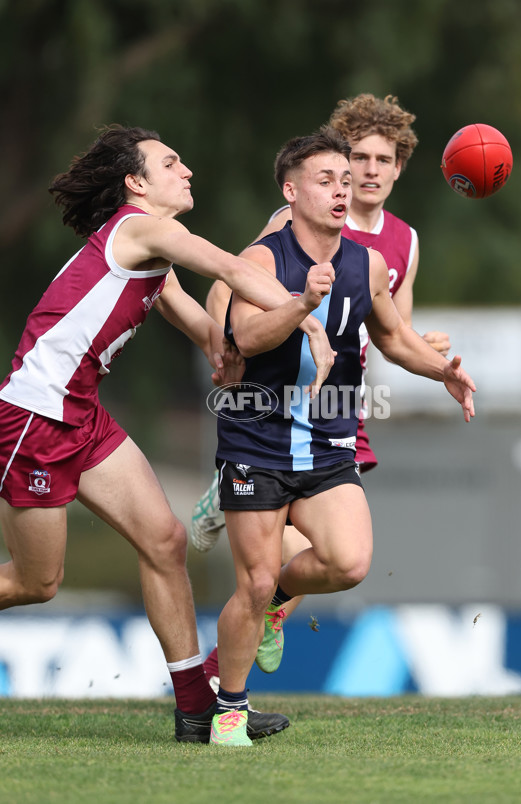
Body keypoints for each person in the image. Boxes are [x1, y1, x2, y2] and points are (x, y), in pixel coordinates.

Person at [0, 125, 335, 744]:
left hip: (80, 413)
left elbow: (192, 317)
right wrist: (304, 317)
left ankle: (195, 711)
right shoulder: (143, 227)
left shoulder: (151, 252)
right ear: (136, 183)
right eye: (170, 163)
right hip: (36, 417)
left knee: (164, 539)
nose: (186, 171)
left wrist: (225, 350)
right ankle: (197, 706)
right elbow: (231, 268)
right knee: (35, 582)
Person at [208, 126, 475, 746]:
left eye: (346, 181)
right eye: (327, 179)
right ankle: (228, 710)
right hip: (256, 438)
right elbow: (244, 338)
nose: (341, 190)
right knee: (249, 582)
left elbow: (393, 337)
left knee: (349, 562)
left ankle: (271, 599)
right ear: (291, 190)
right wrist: (301, 305)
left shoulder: (369, 262)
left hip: (329, 440)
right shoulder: (264, 259)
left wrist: (445, 373)